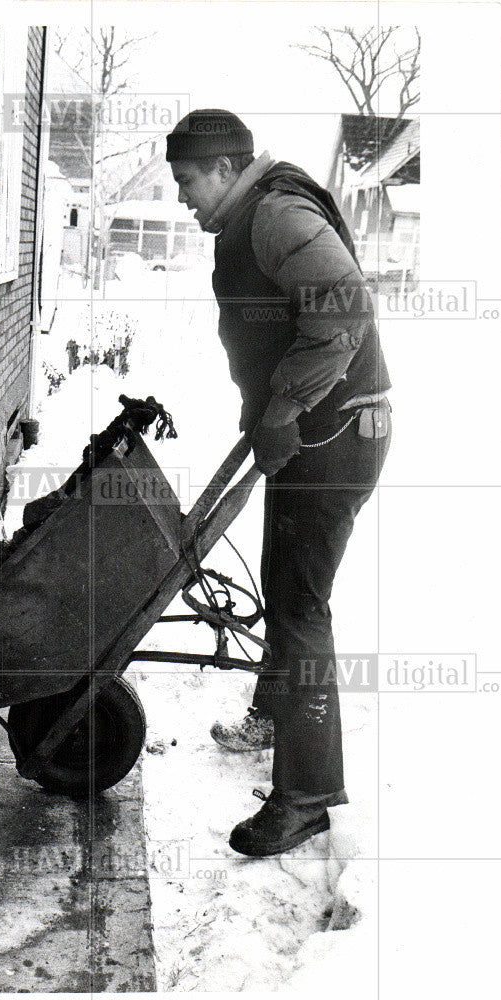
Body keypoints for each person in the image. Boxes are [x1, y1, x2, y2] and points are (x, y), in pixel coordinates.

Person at [166, 110, 392, 857]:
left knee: (299, 608)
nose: (183, 196)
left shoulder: (275, 213)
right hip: (317, 434)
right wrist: (266, 410)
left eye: (190, 180)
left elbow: (341, 309)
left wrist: (285, 405)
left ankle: (307, 798)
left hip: (335, 435)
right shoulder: (257, 215)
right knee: (279, 579)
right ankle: (272, 713)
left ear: (228, 170)